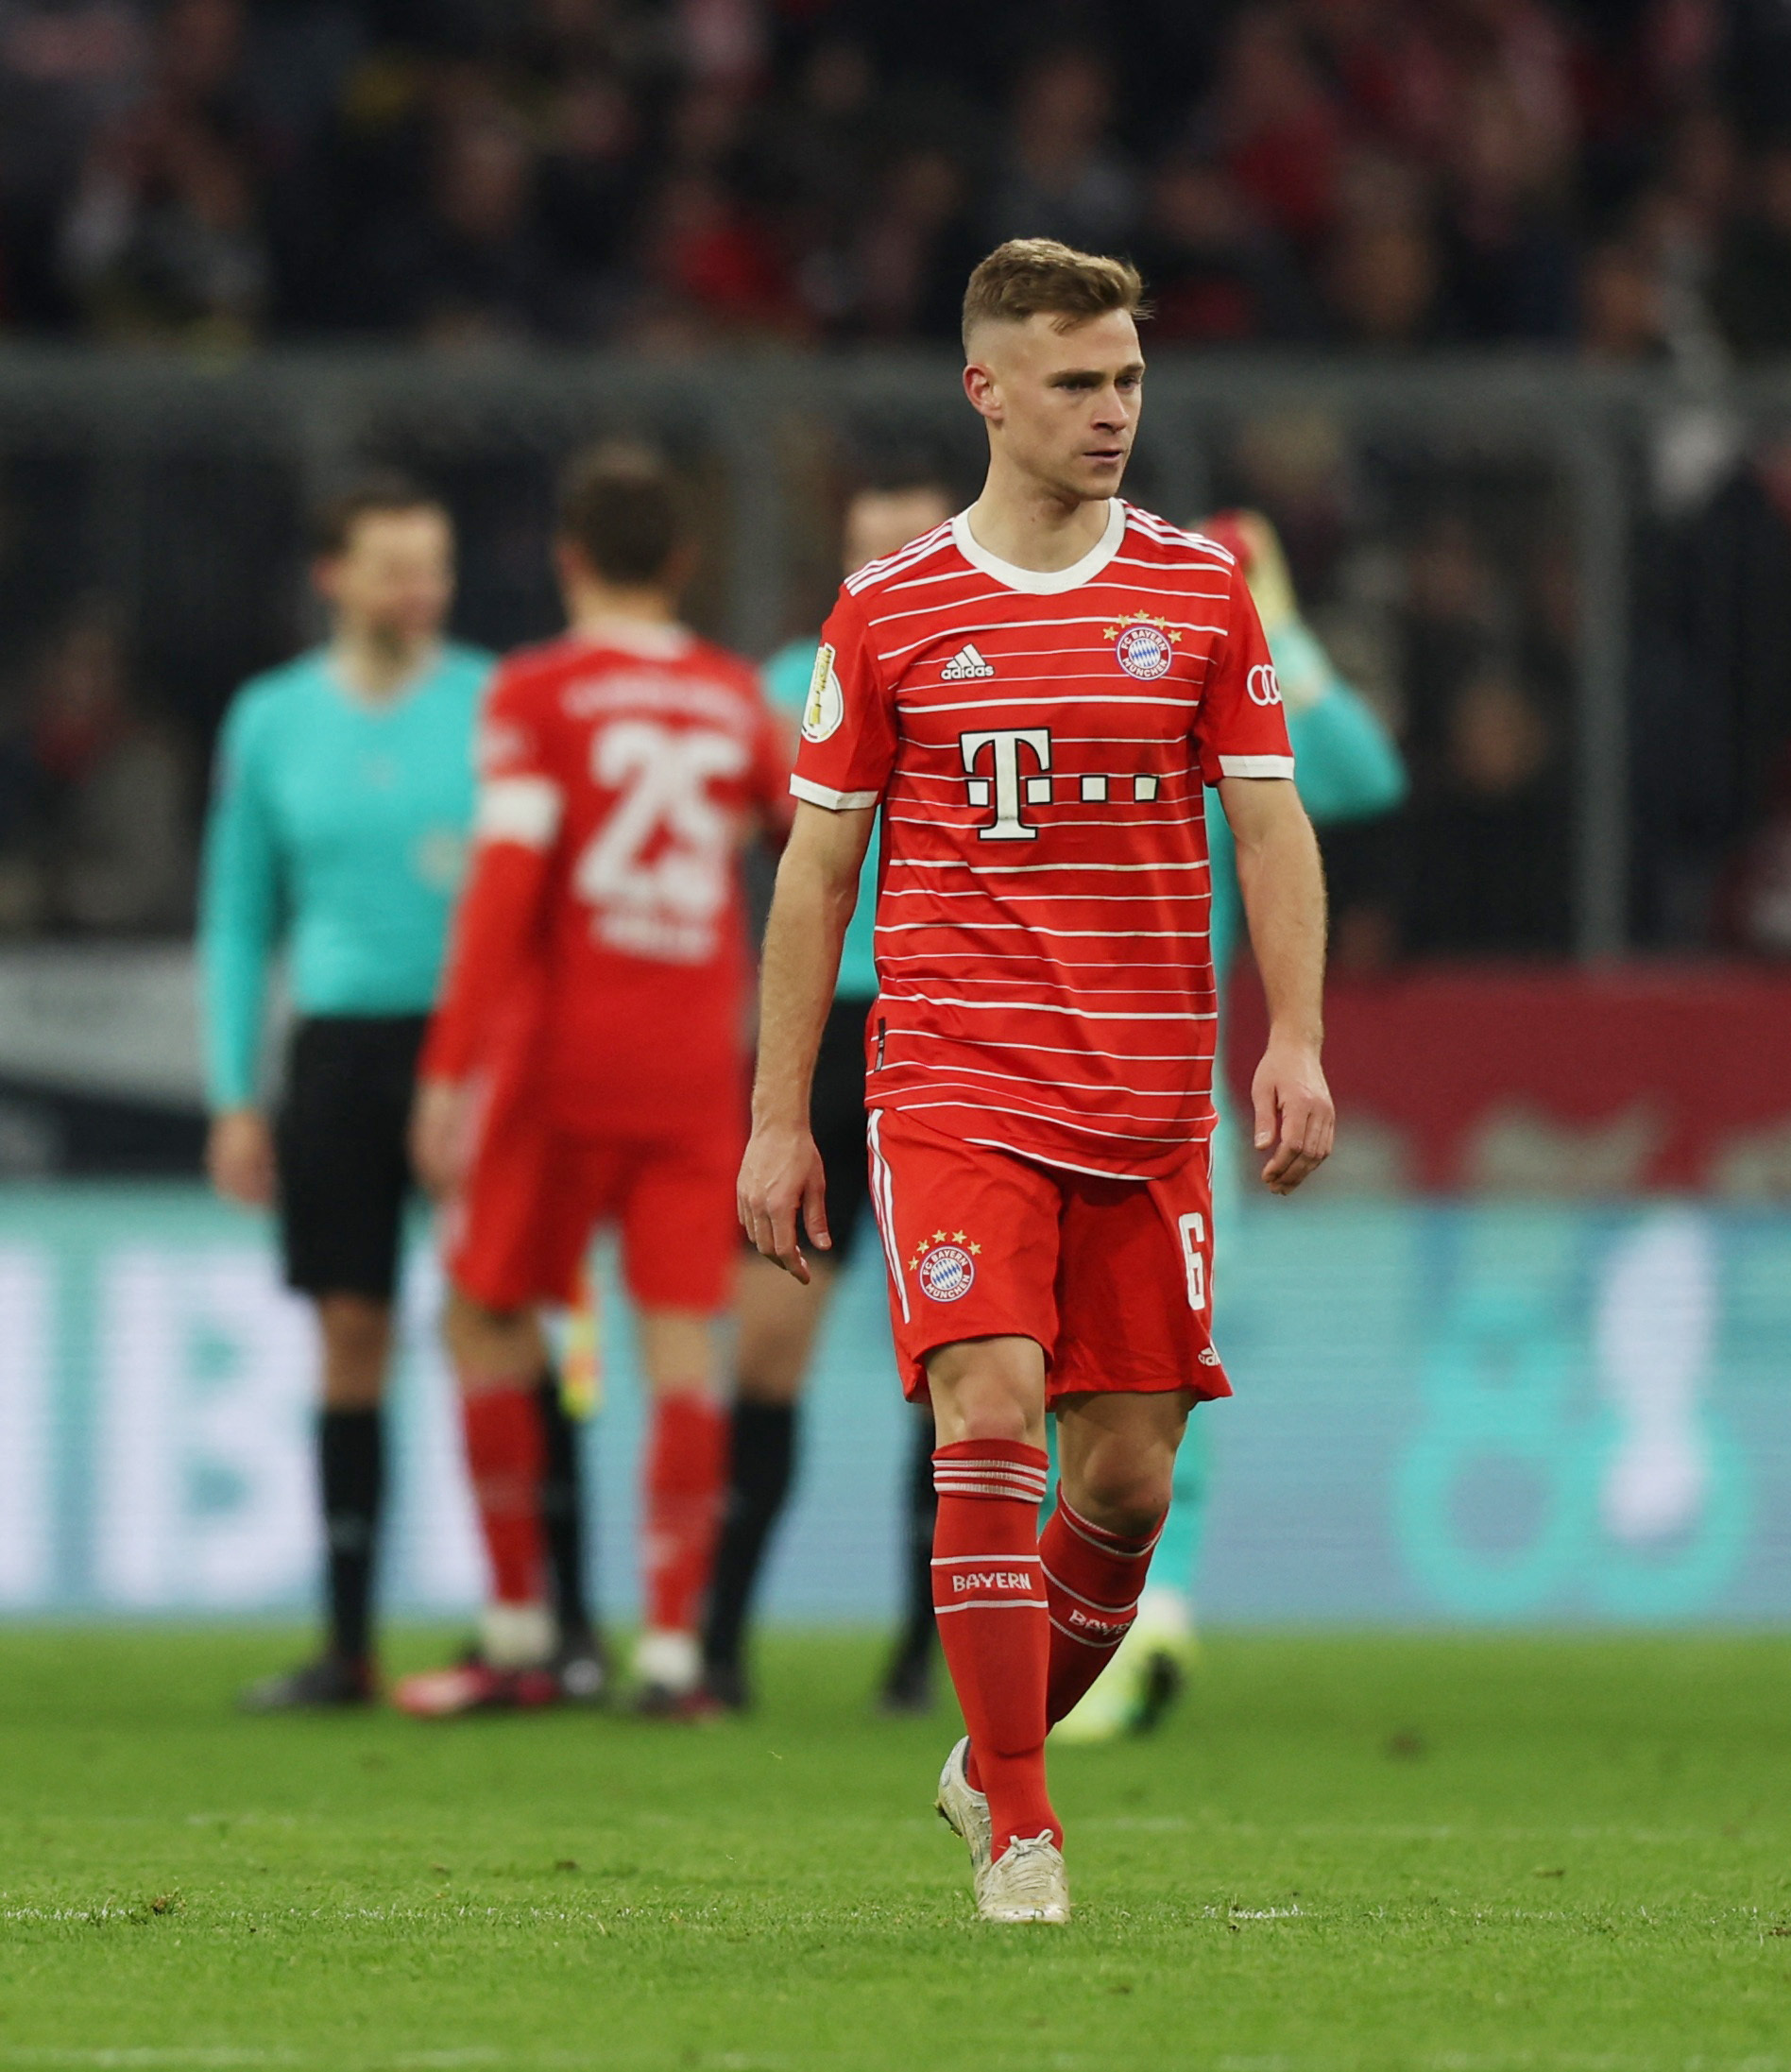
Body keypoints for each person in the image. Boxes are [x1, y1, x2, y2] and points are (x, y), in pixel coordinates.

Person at [740, 236, 1333, 1926]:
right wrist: (783, 1113)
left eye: (1130, 377)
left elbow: (1272, 822)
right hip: (952, 1082)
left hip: (1148, 1103)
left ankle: (990, 1748)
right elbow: (812, 874)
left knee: (1128, 1476)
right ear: (986, 389)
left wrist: (1292, 1034)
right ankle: (1023, 1818)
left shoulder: (1202, 591)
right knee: (986, 1404)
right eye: (1077, 381)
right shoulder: (891, 610)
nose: (1112, 410)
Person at [396, 445, 797, 1721]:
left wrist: (449, 1069)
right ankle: (673, 1655)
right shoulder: (737, 700)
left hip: (558, 1062)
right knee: (682, 1347)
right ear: (682, 562)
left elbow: (506, 888)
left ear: (566, 559)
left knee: (484, 1316)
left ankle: (520, 1632)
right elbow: (810, 845)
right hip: (693, 1067)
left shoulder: (536, 691)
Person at [1045, 505, 1404, 1743]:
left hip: (1166, 1099)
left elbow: (1359, 775)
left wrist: (1282, 627)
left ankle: (1144, 1621)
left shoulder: (1214, 724)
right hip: (1012, 1075)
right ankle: (1055, 1630)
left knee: (1147, 1374)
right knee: (1021, 1373)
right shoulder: (1056, 706)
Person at [198, 477, 505, 1709]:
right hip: (336, 1054)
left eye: (432, 565)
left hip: (472, 1052)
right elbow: (236, 918)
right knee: (350, 1334)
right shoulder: (270, 720)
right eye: (394, 567)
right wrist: (231, 1092)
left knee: (502, 1317)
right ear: (335, 575)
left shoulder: (495, 703)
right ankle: (346, 1643)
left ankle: (539, 1624)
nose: (419, 589)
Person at [701, 468, 961, 1716]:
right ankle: (717, 1641)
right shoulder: (770, 694)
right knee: (766, 1346)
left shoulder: (993, 675)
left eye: (909, 546)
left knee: (958, 1355)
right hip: (816, 1038)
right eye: (870, 549)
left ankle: (926, 1648)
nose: (889, 569)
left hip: (946, 1029)